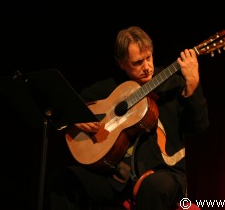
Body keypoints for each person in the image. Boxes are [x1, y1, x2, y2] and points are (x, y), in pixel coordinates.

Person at [49, 26, 209, 210]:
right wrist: (75, 119)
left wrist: (193, 87)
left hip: (164, 173)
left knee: (152, 187)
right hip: (117, 179)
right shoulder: (113, 87)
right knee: (62, 180)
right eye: (137, 62)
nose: (147, 67)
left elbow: (199, 127)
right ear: (121, 64)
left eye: (148, 58)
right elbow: (70, 105)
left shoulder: (173, 85)